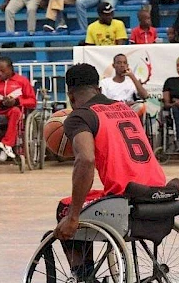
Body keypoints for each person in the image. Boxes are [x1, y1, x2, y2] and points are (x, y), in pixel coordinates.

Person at [52, 63, 167, 244]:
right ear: (98, 89)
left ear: (70, 97)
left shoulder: (80, 116)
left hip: (126, 198)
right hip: (160, 192)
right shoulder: (126, 109)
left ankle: (82, 271)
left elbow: (86, 160)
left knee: (66, 208)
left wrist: (73, 217)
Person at [0, 56, 36, 160]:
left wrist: (17, 101)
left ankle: (7, 143)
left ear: (10, 69)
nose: (0, 73)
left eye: (3, 71)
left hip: (12, 110)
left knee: (15, 111)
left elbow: (32, 102)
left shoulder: (22, 81)